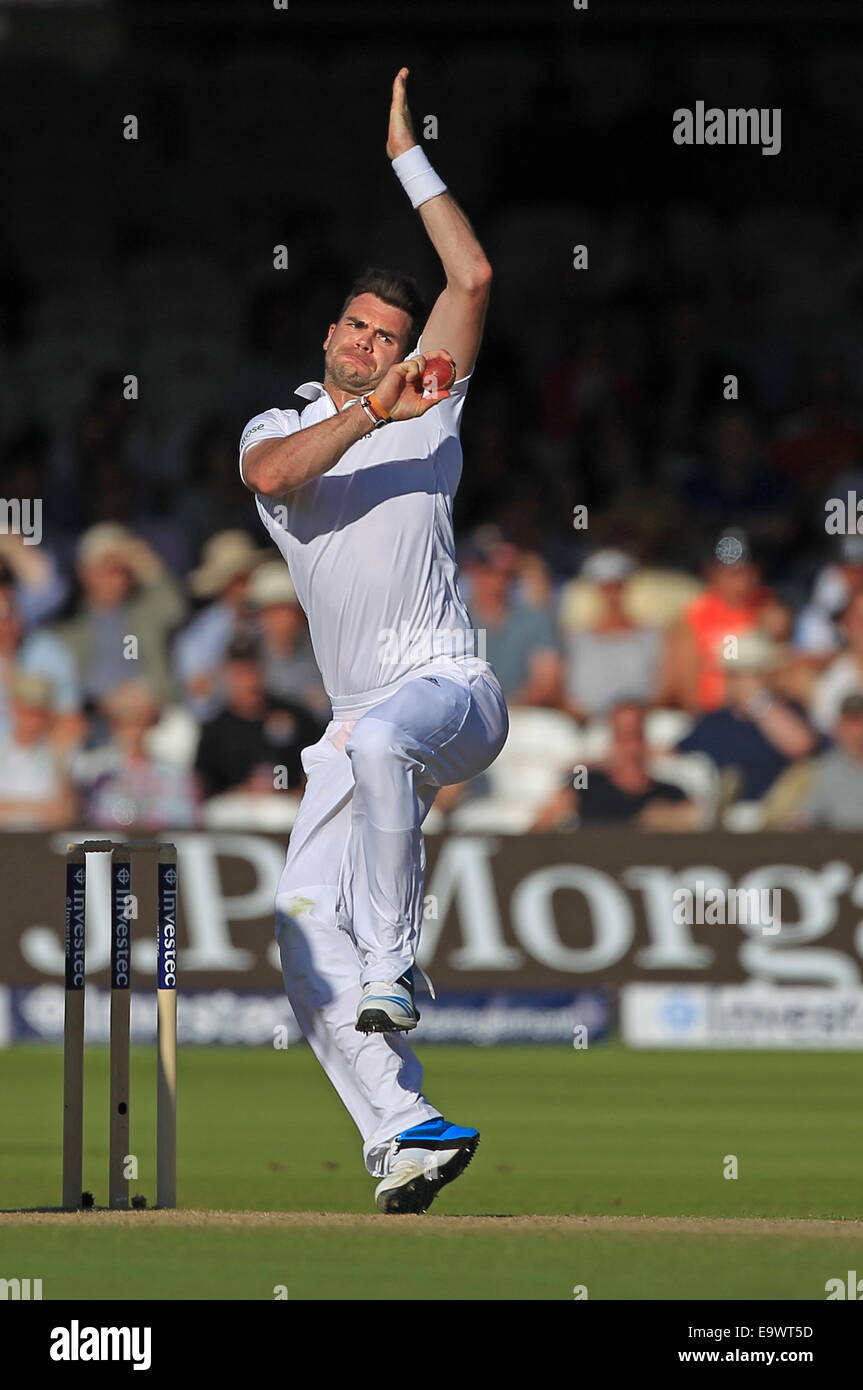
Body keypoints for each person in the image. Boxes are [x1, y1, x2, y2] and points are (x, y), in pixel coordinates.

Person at [239, 69, 508, 1214]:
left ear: (412, 352)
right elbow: (270, 476)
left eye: (387, 337)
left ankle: (396, 962)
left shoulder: (433, 403)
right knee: (298, 933)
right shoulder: (285, 424)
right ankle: (403, 1130)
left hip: (451, 691)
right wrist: (368, 411)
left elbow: (474, 275)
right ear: (329, 333)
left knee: (392, 735)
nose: (367, 343)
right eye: (355, 327)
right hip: (354, 729)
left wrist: (407, 156)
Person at [676, 634, 818, 804]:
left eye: (740, 674)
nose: (730, 681)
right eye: (731, 674)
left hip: (773, 813)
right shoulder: (713, 720)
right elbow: (676, 753)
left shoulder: (790, 712)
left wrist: (757, 701)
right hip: (719, 814)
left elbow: (801, 746)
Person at [530, 702, 697, 831]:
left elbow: (695, 820)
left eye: (633, 735)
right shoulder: (586, 783)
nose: (629, 747)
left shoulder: (668, 792)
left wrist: (665, 818)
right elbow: (543, 824)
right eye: (622, 736)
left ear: (644, 739)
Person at [194, 634, 323, 800]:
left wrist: (291, 793)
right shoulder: (215, 731)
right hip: (233, 817)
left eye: (253, 670)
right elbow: (203, 790)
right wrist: (243, 792)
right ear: (226, 675)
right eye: (240, 674)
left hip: (290, 811)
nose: (249, 682)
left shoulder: (295, 716)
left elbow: (321, 770)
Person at [72, 680, 199, 830]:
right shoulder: (92, 770)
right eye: (122, 721)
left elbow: (183, 821)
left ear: (151, 724)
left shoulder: (174, 776)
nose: (132, 731)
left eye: (140, 721)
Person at [0, 673, 76, 828]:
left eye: (38, 713)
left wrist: (12, 807)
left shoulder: (57, 754)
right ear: (13, 709)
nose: (31, 720)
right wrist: (38, 808)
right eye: (26, 712)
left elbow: (64, 813)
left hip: (41, 843)